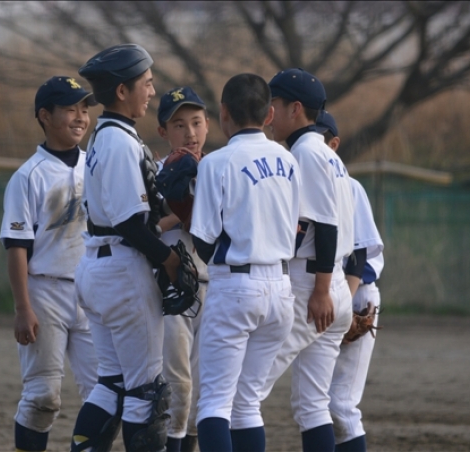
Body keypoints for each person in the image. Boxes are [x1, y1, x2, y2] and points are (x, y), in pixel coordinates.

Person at [71, 43, 181, 452]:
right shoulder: (118, 142)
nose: (151, 91)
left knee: (112, 383)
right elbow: (130, 224)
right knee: (145, 392)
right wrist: (168, 259)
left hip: (99, 267)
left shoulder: (106, 134)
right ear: (122, 90)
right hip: (122, 270)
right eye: (146, 83)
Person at [190, 73, 300, 452]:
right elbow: (295, 226)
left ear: (223, 113)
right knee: (247, 404)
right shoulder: (288, 159)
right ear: (269, 115)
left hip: (236, 287)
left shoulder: (216, 162)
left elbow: (203, 241)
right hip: (282, 290)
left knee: (215, 402)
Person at [0, 75, 99, 452]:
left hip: (92, 291)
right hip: (45, 291)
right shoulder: (29, 176)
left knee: (104, 396)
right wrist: (22, 307)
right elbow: (17, 247)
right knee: (43, 397)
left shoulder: (97, 167)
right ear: (45, 115)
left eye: (84, 109)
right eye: (70, 109)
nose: (81, 117)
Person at [260, 68, 355, 452]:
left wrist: (320, 290)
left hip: (313, 286)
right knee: (312, 405)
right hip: (330, 284)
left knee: (243, 392)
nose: (268, 113)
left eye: (274, 104)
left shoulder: (307, 153)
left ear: (295, 108)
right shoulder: (327, 154)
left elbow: (326, 226)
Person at [316, 110, 385, 452]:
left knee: (338, 405)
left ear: (334, 144)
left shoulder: (350, 186)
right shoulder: (302, 183)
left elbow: (361, 256)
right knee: (314, 404)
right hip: (322, 300)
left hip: (355, 296)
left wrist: (346, 309)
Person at [155, 86, 210, 452]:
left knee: (206, 386)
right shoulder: (156, 174)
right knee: (179, 384)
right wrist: (180, 212)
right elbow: (142, 229)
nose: (190, 133)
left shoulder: (217, 168)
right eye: (179, 125)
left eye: (196, 122)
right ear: (163, 131)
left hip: (213, 285)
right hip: (172, 288)